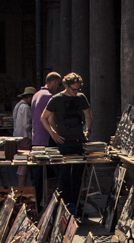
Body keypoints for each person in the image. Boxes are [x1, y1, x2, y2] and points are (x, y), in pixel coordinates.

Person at [41, 72, 92, 215]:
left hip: (78, 140)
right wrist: (53, 134)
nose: (76, 92)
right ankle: (64, 206)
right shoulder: (56, 99)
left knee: (77, 176)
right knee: (64, 176)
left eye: (78, 89)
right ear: (65, 86)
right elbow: (44, 118)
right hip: (64, 141)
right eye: (73, 89)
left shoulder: (81, 98)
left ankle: (74, 205)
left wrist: (88, 131)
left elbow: (88, 115)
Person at [26, 72, 63, 200]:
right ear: (53, 81)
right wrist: (56, 134)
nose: (58, 87)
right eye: (58, 83)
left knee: (38, 174)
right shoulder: (49, 96)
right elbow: (50, 119)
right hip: (48, 138)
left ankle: (36, 202)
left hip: (37, 138)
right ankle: (60, 200)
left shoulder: (36, 95)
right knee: (58, 171)